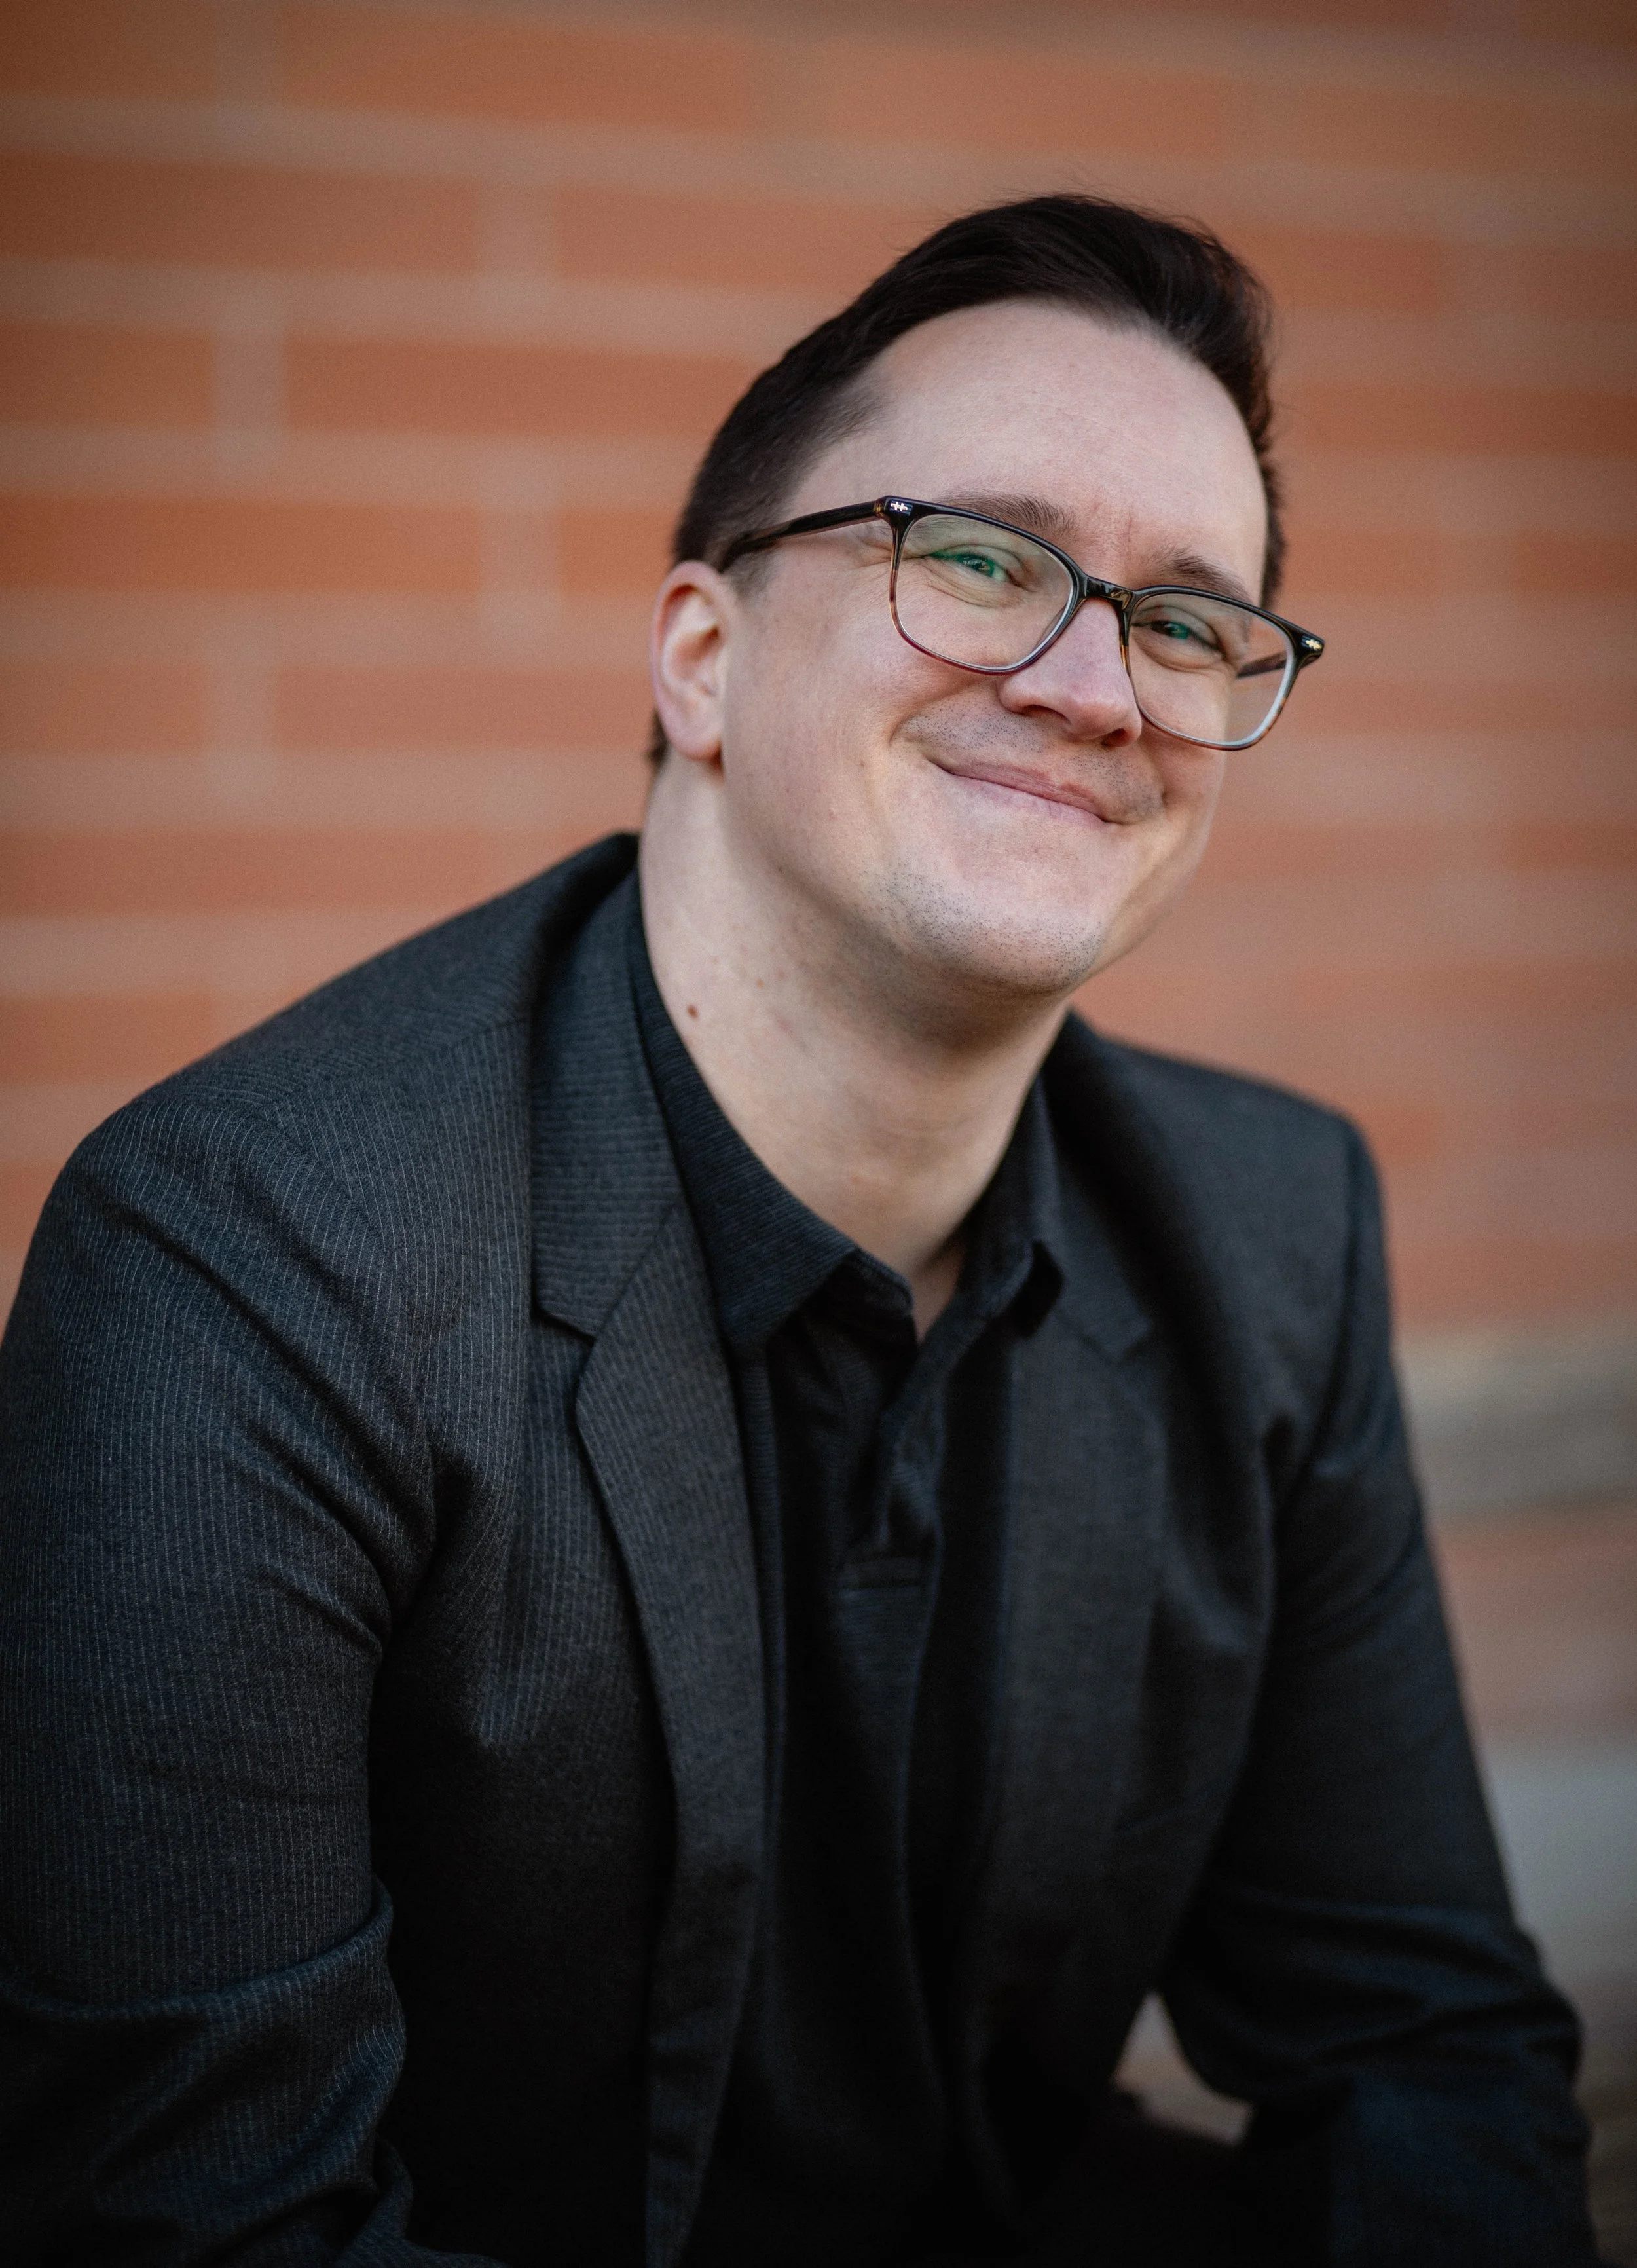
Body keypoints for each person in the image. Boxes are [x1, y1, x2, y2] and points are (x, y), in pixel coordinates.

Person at [0, 196, 1599, 2267]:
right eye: (982, 561)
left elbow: (1418, 2045)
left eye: (1194, 620)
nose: (1099, 683)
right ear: (702, 653)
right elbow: (196, 2229)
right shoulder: (251, 1260)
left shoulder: (1269, 1233)